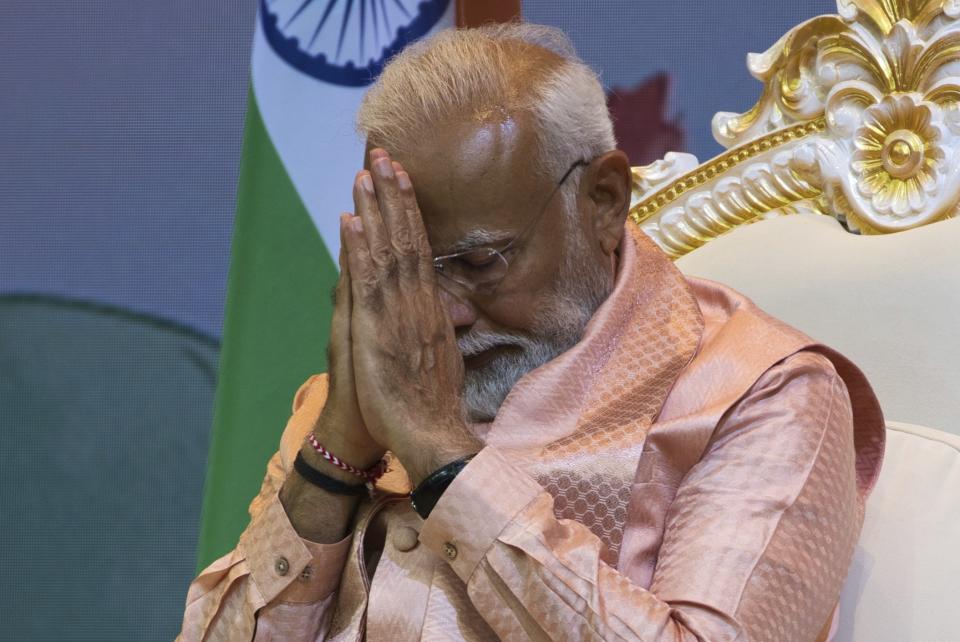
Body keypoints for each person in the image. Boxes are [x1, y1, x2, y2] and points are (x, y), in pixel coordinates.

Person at [178, 23, 884, 642]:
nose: (441, 315)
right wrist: (336, 453)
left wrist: (439, 456)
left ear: (603, 201)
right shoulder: (383, 367)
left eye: (480, 262)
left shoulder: (761, 394)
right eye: (411, 272)